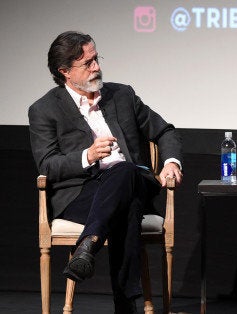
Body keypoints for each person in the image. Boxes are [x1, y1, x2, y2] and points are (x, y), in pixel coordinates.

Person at [29, 31, 183, 313]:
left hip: (134, 180)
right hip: (81, 194)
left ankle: (88, 244)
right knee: (128, 207)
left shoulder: (121, 95)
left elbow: (164, 130)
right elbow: (47, 164)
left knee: (124, 170)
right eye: (87, 63)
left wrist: (171, 162)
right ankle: (126, 307)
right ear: (65, 72)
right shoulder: (44, 109)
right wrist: (86, 156)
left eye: (96, 58)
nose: (97, 67)